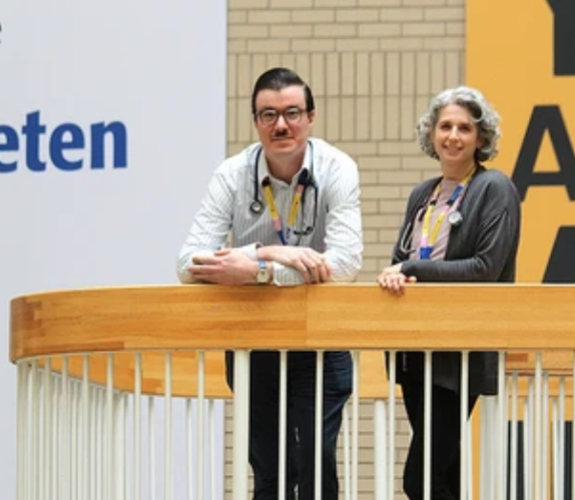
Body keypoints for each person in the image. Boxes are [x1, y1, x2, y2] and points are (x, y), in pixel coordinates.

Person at [177, 67, 363, 500]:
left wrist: (259, 274)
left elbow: (347, 263)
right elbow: (188, 264)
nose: (281, 125)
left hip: (320, 343)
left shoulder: (337, 168)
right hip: (253, 342)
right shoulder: (231, 174)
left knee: (316, 465)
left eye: (292, 112)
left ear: (311, 117)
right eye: (269, 115)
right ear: (256, 121)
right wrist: (266, 253)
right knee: (269, 471)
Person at [377, 86, 521, 500]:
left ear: (481, 138)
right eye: (445, 126)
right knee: (444, 477)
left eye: (464, 127)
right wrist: (398, 273)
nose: (453, 136)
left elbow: (485, 269)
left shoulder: (495, 188)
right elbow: (398, 258)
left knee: (419, 480)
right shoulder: (422, 194)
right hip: (414, 351)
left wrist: (411, 269)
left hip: (458, 352)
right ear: (431, 133)